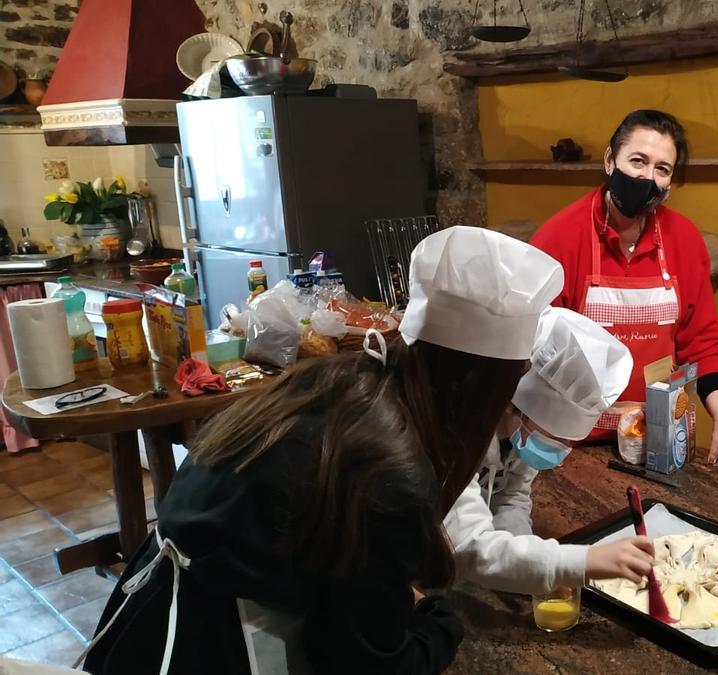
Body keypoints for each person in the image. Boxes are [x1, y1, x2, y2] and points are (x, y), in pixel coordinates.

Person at [81, 227, 564, 675]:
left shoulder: (348, 379)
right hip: (206, 644)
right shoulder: (390, 470)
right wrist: (443, 618)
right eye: (511, 386)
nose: (511, 407)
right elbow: (372, 666)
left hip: (149, 604)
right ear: (478, 390)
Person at [531, 109, 718, 463]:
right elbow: (535, 345)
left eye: (663, 169)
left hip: (658, 440)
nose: (648, 177)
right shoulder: (560, 238)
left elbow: (702, 337)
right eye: (638, 161)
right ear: (611, 161)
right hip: (572, 441)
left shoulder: (684, 240)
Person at [446, 307, 656, 594]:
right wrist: (575, 562)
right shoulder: (453, 434)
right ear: (517, 407)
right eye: (559, 437)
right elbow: (470, 546)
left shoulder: (522, 428)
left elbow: (510, 499)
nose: (564, 450)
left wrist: (531, 568)